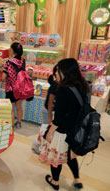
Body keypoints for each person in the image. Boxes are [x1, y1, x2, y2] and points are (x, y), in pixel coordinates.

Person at [39, 58, 88, 190]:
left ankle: (55, 181)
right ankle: (77, 179)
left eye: (58, 71)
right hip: (75, 130)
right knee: (70, 156)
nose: (57, 73)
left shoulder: (63, 90)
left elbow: (58, 118)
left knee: (55, 157)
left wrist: (50, 132)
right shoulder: (81, 86)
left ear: (65, 72)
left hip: (62, 131)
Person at [32, 65, 58, 154]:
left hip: (48, 110)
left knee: (45, 128)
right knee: (45, 128)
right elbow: (50, 102)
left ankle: (39, 145)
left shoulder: (56, 84)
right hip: (48, 110)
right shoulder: (55, 85)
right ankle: (37, 145)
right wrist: (50, 116)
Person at [2, 42, 26, 129]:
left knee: (11, 109)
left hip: (11, 88)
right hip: (20, 87)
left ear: (12, 50)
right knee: (19, 106)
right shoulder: (23, 60)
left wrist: (6, 81)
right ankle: (19, 123)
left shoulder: (9, 62)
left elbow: (4, 76)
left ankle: (11, 126)